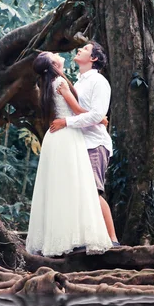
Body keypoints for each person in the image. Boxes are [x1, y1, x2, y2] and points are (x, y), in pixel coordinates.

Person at [25, 52, 112, 256]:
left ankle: (59, 238)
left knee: (60, 188)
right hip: (67, 136)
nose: (57, 53)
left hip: (55, 137)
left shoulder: (46, 85)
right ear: (53, 64)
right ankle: (80, 238)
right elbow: (77, 110)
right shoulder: (60, 83)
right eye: (53, 54)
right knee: (77, 186)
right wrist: (100, 119)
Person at [49, 42, 119, 246]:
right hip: (78, 143)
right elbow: (81, 110)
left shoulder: (98, 81)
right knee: (80, 192)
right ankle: (86, 239)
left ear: (94, 58)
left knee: (93, 192)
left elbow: (97, 114)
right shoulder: (78, 83)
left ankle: (112, 240)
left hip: (94, 143)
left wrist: (66, 122)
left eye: (85, 49)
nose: (79, 50)